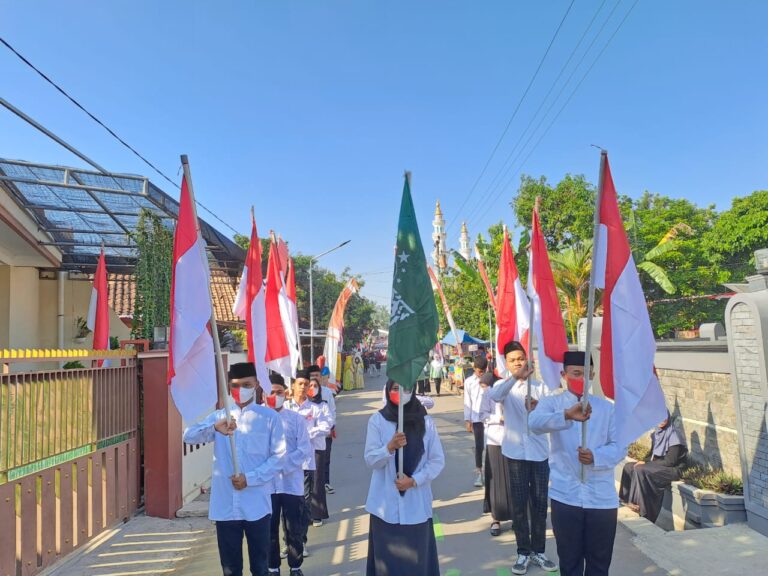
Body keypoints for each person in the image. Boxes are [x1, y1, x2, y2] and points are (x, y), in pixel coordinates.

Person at [183, 362, 286, 576]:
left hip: (257, 504)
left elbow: (279, 457)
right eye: (235, 386)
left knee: (260, 566)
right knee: (230, 568)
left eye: (246, 384)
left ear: (257, 384)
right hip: (226, 507)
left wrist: (250, 478)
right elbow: (188, 436)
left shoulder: (270, 419)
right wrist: (214, 428)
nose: (240, 390)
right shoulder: (220, 417)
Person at [529, 351, 623, 576]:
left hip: (601, 499)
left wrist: (596, 456)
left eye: (586, 374)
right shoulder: (552, 404)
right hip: (566, 496)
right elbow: (534, 422)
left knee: (599, 563)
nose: (581, 378)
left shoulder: (607, 409)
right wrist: (567, 416)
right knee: (569, 561)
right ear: (564, 374)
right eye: (576, 373)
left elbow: (620, 447)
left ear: (592, 374)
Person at [487, 341, 557, 574]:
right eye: (513, 360)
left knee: (538, 504)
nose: (518, 362)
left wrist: (538, 409)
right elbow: (495, 395)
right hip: (515, 454)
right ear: (506, 363)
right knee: (519, 505)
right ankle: (522, 552)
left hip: (538, 454)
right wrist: (515, 378)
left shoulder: (541, 387)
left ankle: (539, 550)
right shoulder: (504, 386)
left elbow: (550, 419)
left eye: (521, 358)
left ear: (527, 358)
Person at [364, 380, 445, 576]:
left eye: (406, 388)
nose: (401, 392)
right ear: (387, 391)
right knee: (388, 565)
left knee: (417, 563)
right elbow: (371, 460)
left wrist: (414, 480)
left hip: (416, 506)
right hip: (385, 509)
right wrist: (389, 448)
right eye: (395, 388)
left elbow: (437, 460)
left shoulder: (426, 422)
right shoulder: (378, 421)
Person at [265, 374, 312, 576]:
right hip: (267, 484)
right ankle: (273, 567)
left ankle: (295, 566)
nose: (275, 396)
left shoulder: (296, 420)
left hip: (291, 483)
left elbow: (304, 449)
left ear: (286, 393)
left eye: (279, 392)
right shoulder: (258, 420)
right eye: (271, 392)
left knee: (294, 527)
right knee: (269, 529)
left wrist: (281, 464)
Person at [285, 371, 332, 554]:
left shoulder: (316, 408)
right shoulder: (286, 409)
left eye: (307, 384)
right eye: (300, 384)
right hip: (285, 465)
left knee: (303, 503)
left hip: (306, 463)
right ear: (294, 386)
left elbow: (326, 426)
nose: (304, 387)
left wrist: (306, 434)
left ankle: (300, 541)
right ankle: (287, 541)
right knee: (285, 505)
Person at [619, 410, 688, 523]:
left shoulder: (674, 435)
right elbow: (652, 456)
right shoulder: (657, 434)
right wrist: (644, 461)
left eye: (665, 417)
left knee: (640, 469)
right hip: (660, 466)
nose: (662, 420)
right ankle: (627, 500)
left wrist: (647, 464)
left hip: (672, 470)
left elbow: (670, 461)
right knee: (629, 466)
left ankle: (642, 507)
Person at [479, 371, 514, 536]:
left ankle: (516, 517)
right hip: (494, 440)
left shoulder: (514, 392)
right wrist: (497, 418)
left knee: (513, 480)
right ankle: (496, 519)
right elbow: (482, 414)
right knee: (495, 481)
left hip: (513, 441)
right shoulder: (488, 395)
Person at [307, 364, 337, 494]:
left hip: (325, 433)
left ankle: (325, 483)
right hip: (307, 438)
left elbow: (332, 411)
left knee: (325, 459)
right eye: (312, 376)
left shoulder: (327, 392)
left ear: (321, 377)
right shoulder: (305, 395)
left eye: (317, 375)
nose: (314, 378)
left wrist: (330, 427)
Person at [464, 355, 488, 488]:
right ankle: (479, 472)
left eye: (484, 371)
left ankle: (491, 473)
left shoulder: (490, 380)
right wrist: (468, 420)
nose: (481, 373)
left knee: (491, 446)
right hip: (477, 419)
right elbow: (468, 401)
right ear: (474, 368)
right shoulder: (469, 382)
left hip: (490, 419)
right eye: (479, 371)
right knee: (479, 446)